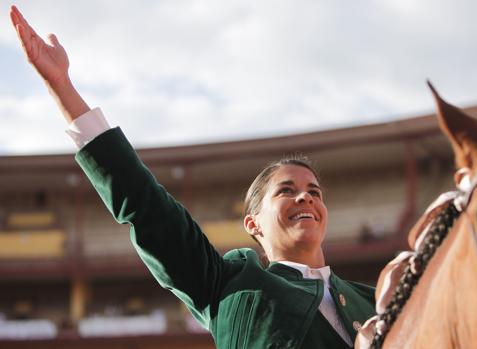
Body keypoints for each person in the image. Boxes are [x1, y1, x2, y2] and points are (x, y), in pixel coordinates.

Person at [9, 5, 375, 349]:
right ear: (253, 223)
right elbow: (146, 206)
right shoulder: (228, 282)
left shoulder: (378, 299)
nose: (305, 197)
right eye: (287, 190)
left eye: (314, 191)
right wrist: (62, 87)